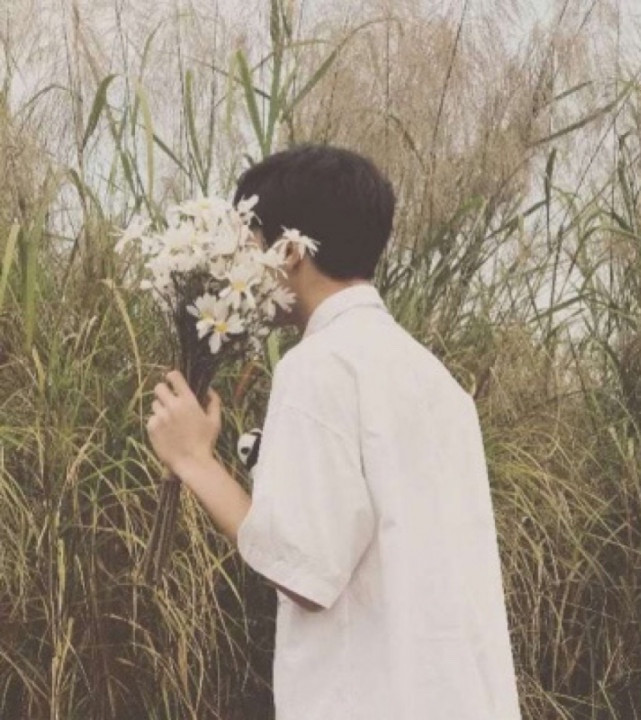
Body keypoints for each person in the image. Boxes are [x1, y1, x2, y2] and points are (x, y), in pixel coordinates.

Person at [146, 144, 523, 719]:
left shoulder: (319, 365)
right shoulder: (435, 379)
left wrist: (195, 459)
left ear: (291, 251)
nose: (242, 267)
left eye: (250, 245)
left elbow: (306, 571)